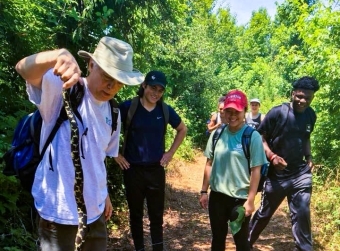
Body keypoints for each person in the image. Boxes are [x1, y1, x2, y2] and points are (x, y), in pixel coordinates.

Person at [15, 36, 144, 251]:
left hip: (96, 215)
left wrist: (104, 195)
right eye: (106, 76)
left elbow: (98, 158)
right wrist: (57, 55)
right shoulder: (64, 88)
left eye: (119, 80)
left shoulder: (114, 113)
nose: (112, 86)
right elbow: (22, 68)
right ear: (91, 64)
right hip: (58, 216)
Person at [114, 70, 187, 251]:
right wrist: (115, 154)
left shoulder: (165, 110)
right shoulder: (129, 107)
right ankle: (139, 248)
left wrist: (170, 153)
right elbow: (107, 126)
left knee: (156, 217)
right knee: (136, 216)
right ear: (143, 86)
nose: (156, 93)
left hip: (156, 169)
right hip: (132, 170)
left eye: (160, 90)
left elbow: (182, 129)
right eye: (153, 88)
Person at [248, 76, 320, 251]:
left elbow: (306, 138)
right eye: (300, 96)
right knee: (265, 213)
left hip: (300, 174)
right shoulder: (278, 112)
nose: (303, 101)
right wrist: (272, 156)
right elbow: (259, 137)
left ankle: (304, 248)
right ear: (292, 93)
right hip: (276, 176)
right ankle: (245, 242)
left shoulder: (311, 115)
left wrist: (309, 157)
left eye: (308, 98)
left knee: (302, 212)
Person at [199, 90, 268, 251]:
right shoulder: (217, 134)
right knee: (217, 240)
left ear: (244, 111)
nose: (232, 115)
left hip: (240, 200)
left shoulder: (252, 137)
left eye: (236, 111)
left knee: (242, 243)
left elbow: (256, 171)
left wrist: (250, 201)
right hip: (217, 197)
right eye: (229, 111)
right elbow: (209, 163)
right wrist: (203, 191)